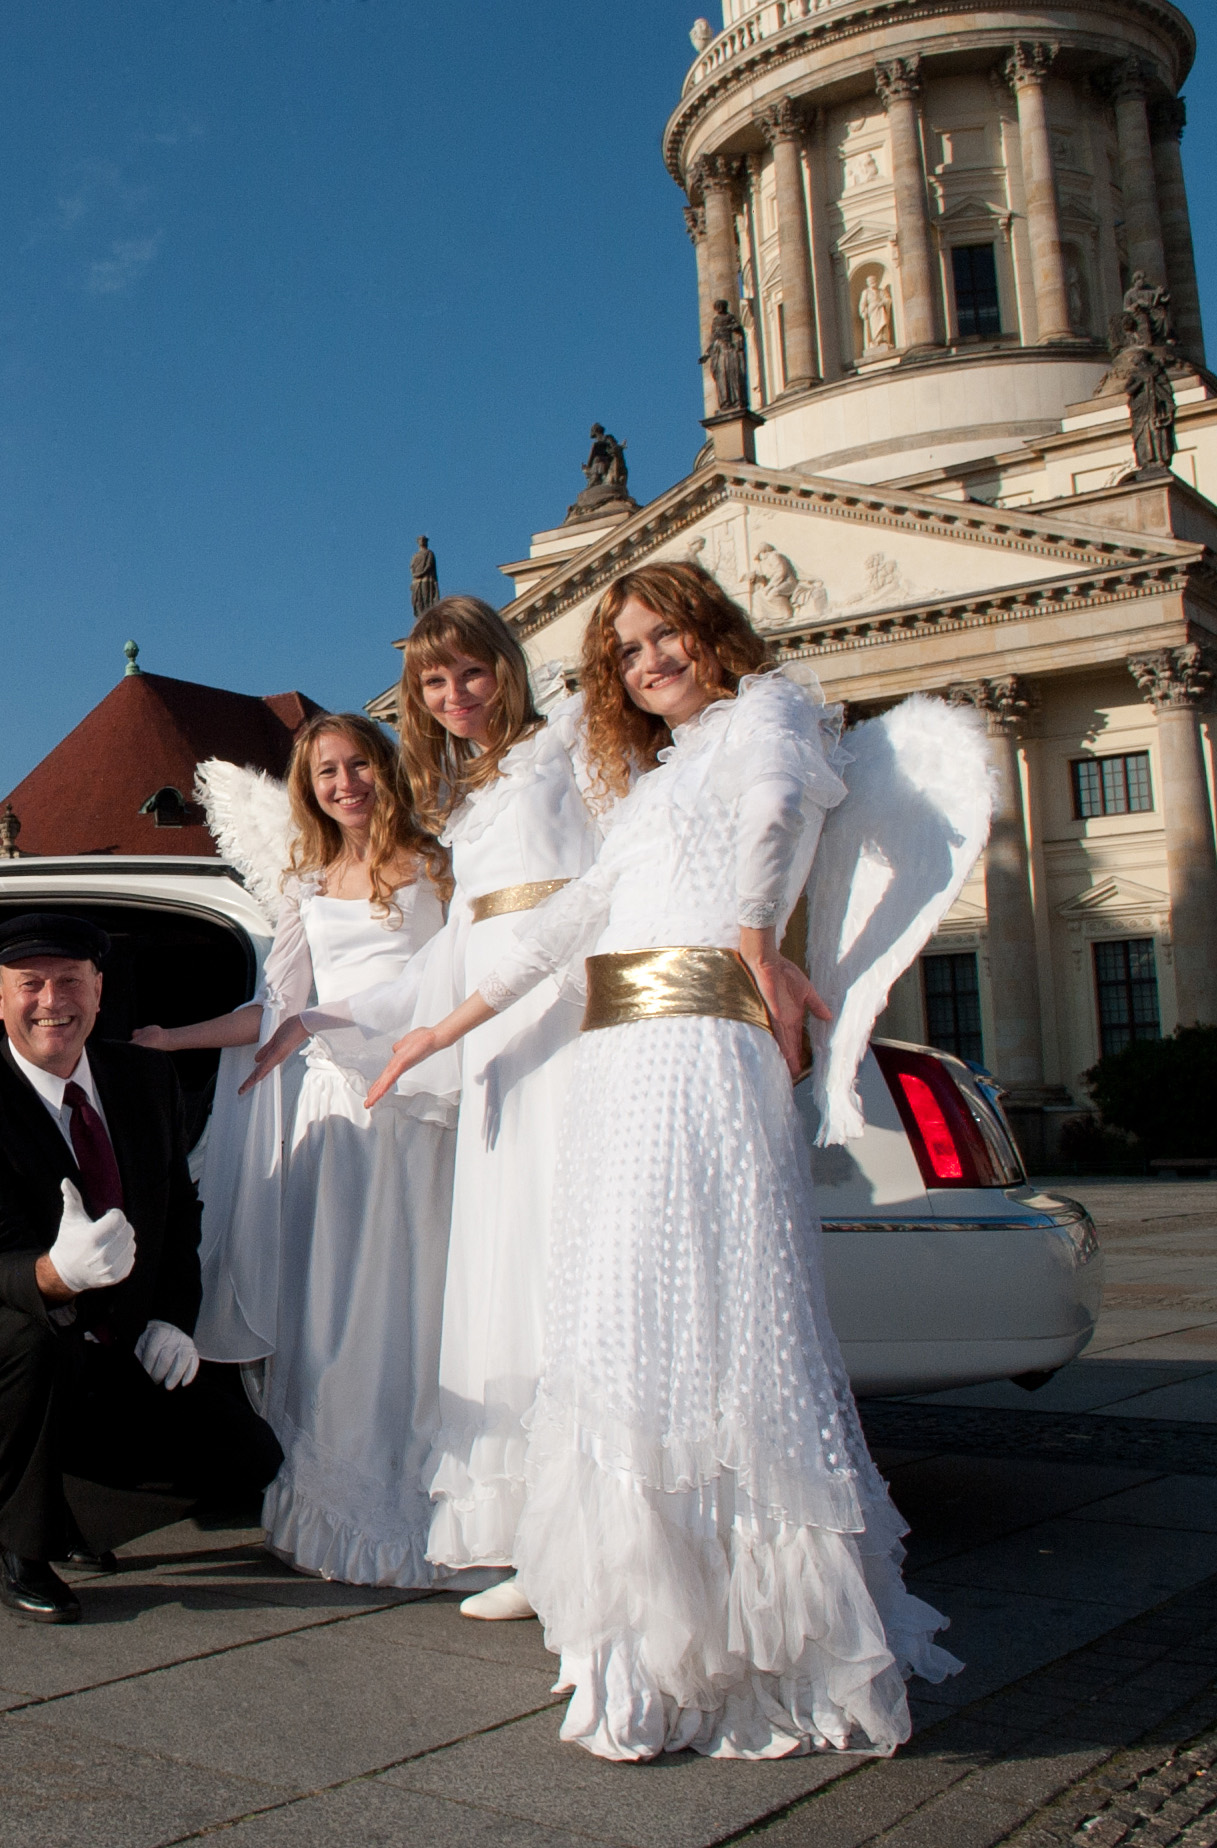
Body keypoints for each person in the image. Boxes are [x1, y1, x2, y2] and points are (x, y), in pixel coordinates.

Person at [368, 562, 959, 1759]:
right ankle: (653, 1623)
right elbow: (570, 918)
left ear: (710, 632)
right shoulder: (658, 777)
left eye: (662, 637)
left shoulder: (770, 715)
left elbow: (780, 810)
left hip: (702, 1039)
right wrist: (441, 1026)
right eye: (626, 652)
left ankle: (755, 1631)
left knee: (712, 1317)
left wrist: (753, 936)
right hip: (621, 1058)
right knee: (624, 1325)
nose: (647, 663)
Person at [136, 713, 460, 1586]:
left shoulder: (437, 864)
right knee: (331, 1312)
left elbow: (453, 987)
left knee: (411, 1305)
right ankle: (334, 1506)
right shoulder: (310, 883)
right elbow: (276, 1014)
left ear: (385, 769)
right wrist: (176, 1039)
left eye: (358, 764)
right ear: (308, 789)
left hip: (413, 1106)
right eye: (325, 773)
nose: (345, 783)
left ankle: (428, 1505)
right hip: (331, 1119)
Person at [0, 913, 280, 1624]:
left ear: (99, 993)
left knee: (247, 1459)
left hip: (115, 1334)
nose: (53, 1001)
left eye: (71, 981)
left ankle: (76, 1510)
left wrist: (172, 1317)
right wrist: (59, 1272)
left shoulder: (144, 1076)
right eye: (31, 984)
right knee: (30, 1341)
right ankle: (19, 1551)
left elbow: (178, 1213)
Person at [393, 597, 598, 1619]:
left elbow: (595, 891)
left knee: (557, 1257)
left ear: (507, 668)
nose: (455, 694)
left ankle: (588, 1522)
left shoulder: (566, 745)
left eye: (470, 672)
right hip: (492, 1042)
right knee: (503, 1262)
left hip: (558, 1019)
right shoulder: (467, 795)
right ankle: (531, 1528)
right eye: (434, 683)